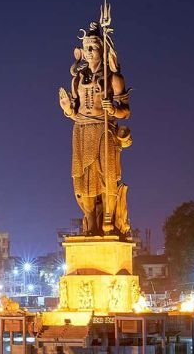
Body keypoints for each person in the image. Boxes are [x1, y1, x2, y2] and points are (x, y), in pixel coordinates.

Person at [58, 22, 132, 236]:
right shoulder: (78, 80)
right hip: (81, 129)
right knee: (82, 179)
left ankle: (108, 215)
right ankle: (90, 218)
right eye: (87, 47)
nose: (90, 52)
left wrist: (114, 109)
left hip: (103, 128)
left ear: (103, 49)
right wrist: (68, 110)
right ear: (80, 51)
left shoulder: (114, 78)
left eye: (94, 47)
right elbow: (74, 110)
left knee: (107, 175)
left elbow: (125, 112)